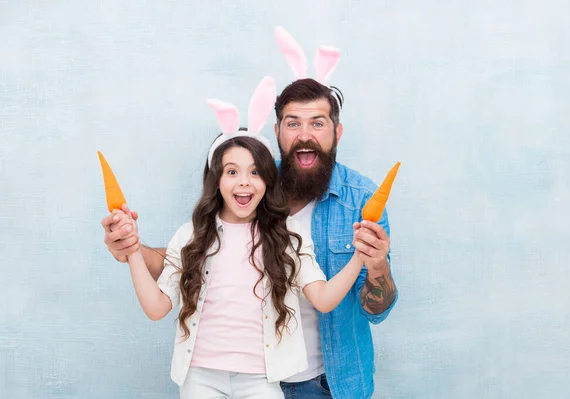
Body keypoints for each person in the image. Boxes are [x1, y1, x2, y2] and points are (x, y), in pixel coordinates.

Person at [103, 78, 398, 398]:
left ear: (336, 132)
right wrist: (132, 250)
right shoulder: (232, 196)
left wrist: (371, 260)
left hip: (323, 382)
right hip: (223, 376)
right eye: (293, 123)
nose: (304, 135)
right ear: (276, 132)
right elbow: (187, 265)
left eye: (317, 123)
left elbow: (366, 308)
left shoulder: (349, 205)